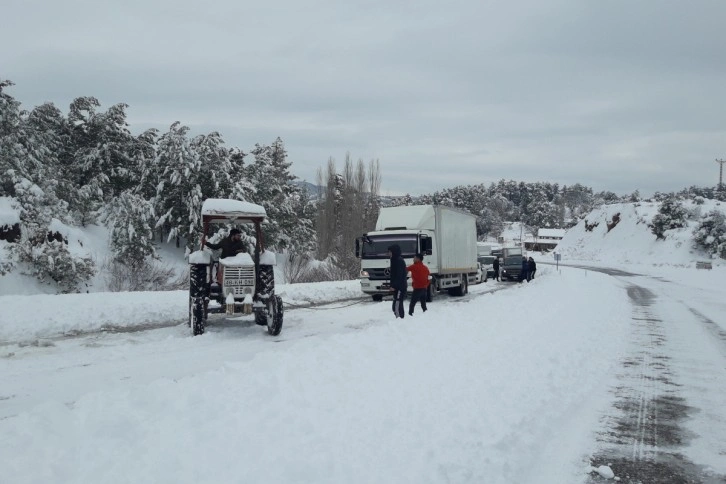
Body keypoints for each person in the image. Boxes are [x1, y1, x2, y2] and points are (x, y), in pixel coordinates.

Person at [387, 244, 407, 319]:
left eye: (390, 252)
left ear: (394, 252)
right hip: (396, 287)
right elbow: (393, 276)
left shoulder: (399, 261)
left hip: (400, 287)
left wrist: (394, 286)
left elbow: (400, 275)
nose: (388, 253)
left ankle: (400, 319)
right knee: (395, 304)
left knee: (397, 304)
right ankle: (399, 318)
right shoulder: (393, 260)